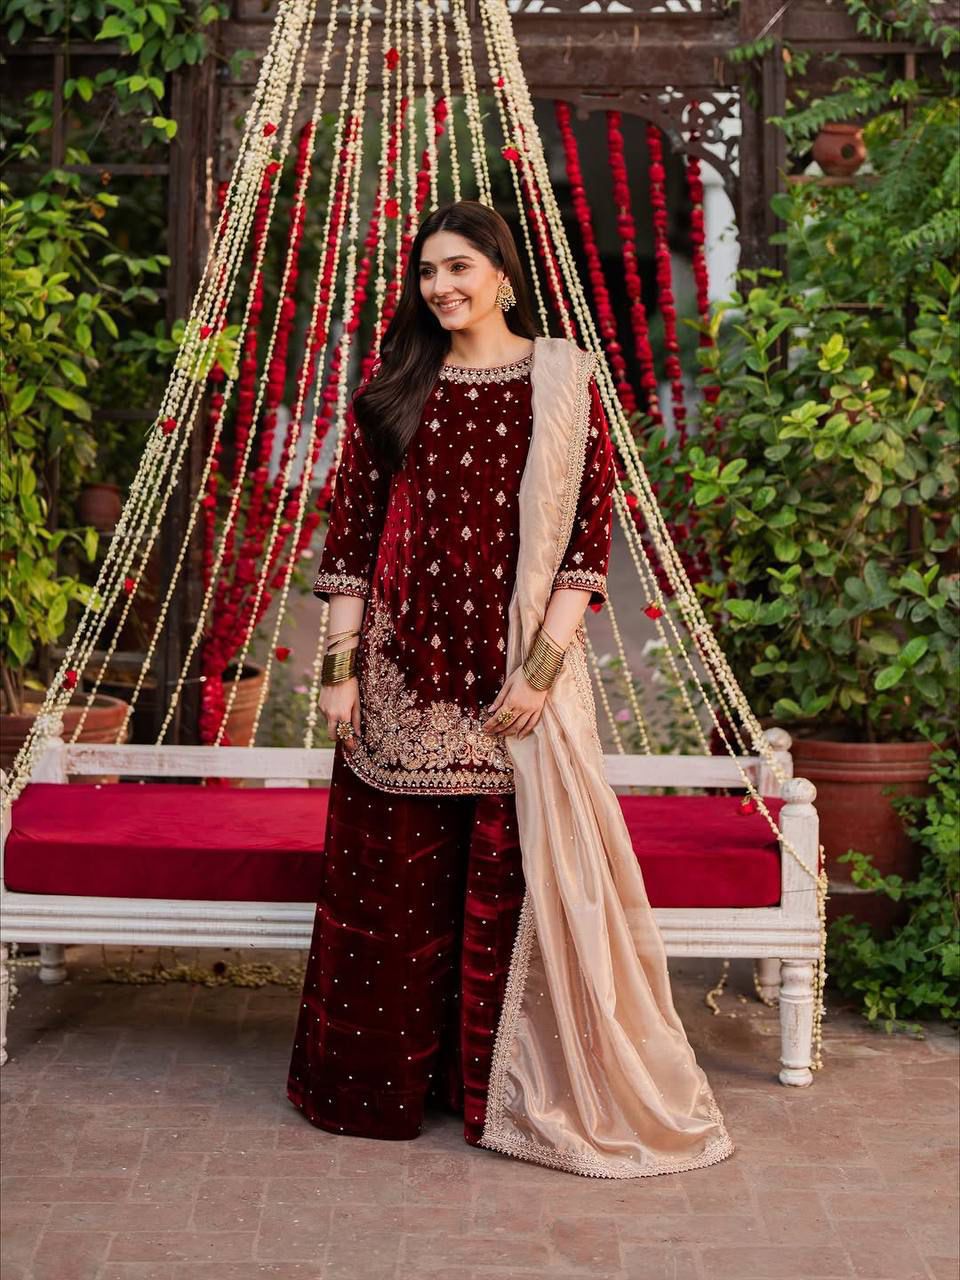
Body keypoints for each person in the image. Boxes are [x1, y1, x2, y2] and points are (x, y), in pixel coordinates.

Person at [287, 199, 733, 1179]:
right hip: (402, 682)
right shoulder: (394, 386)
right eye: (426, 273)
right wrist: (339, 673)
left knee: (500, 891)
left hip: (507, 683)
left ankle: (497, 1086)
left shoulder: (566, 378)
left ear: (501, 271)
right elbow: (352, 542)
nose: (441, 286)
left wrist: (539, 673)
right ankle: (382, 1088)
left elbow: (586, 541)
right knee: (394, 898)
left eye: (458, 267)